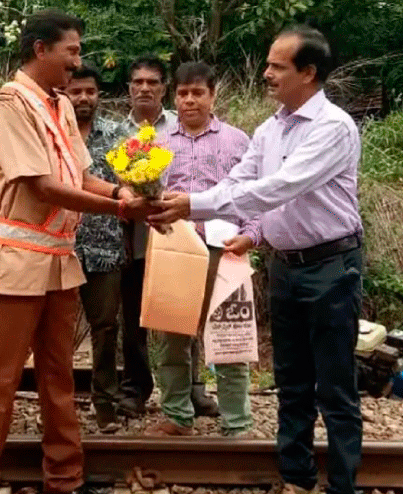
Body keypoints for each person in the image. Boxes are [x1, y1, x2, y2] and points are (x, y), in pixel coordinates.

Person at [151, 26, 363, 494]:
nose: (266, 73)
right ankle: (296, 477)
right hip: (287, 265)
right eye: (267, 64)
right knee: (292, 381)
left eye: (276, 66)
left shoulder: (333, 128)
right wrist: (189, 201)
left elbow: (280, 187)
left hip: (331, 267)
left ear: (308, 73)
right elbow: (238, 183)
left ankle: (343, 485)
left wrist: (192, 205)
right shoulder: (270, 129)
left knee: (334, 387)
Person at [0, 10, 157, 494]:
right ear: (40, 50)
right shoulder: (8, 104)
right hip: (19, 259)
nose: (78, 62)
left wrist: (121, 193)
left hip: (60, 261)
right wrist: (121, 210)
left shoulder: (60, 106)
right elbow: (43, 187)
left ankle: (65, 477)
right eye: (71, 52)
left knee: (58, 376)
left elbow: (78, 177)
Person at [147, 61, 257, 437]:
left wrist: (252, 234)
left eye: (198, 93)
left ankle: (237, 423)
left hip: (225, 248)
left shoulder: (238, 141)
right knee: (173, 337)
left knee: (230, 337)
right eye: (182, 93)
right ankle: (177, 416)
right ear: (174, 96)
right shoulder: (158, 144)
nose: (189, 100)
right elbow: (148, 196)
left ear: (213, 95)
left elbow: (256, 195)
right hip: (175, 247)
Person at [120, 55, 221, 419]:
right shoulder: (121, 132)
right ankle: (140, 390)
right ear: (129, 88)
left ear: (164, 89)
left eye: (153, 83)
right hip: (135, 240)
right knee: (137, 318)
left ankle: (192, 389)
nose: (144, 89)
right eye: (137, 83)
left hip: (184, 241)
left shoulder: (185, 130)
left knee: (184, 313)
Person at [63, 65, 127, 433]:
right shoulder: (54, 134)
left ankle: (104, 404)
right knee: (58, 332)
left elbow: (139, 179)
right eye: (76, 91)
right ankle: (59, 404)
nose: (83, 98)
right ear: (65, 94)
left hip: (104, 249)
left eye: (90, 91)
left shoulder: (118, 136)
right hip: (61, 247)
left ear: (99, 94)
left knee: (105, 328)